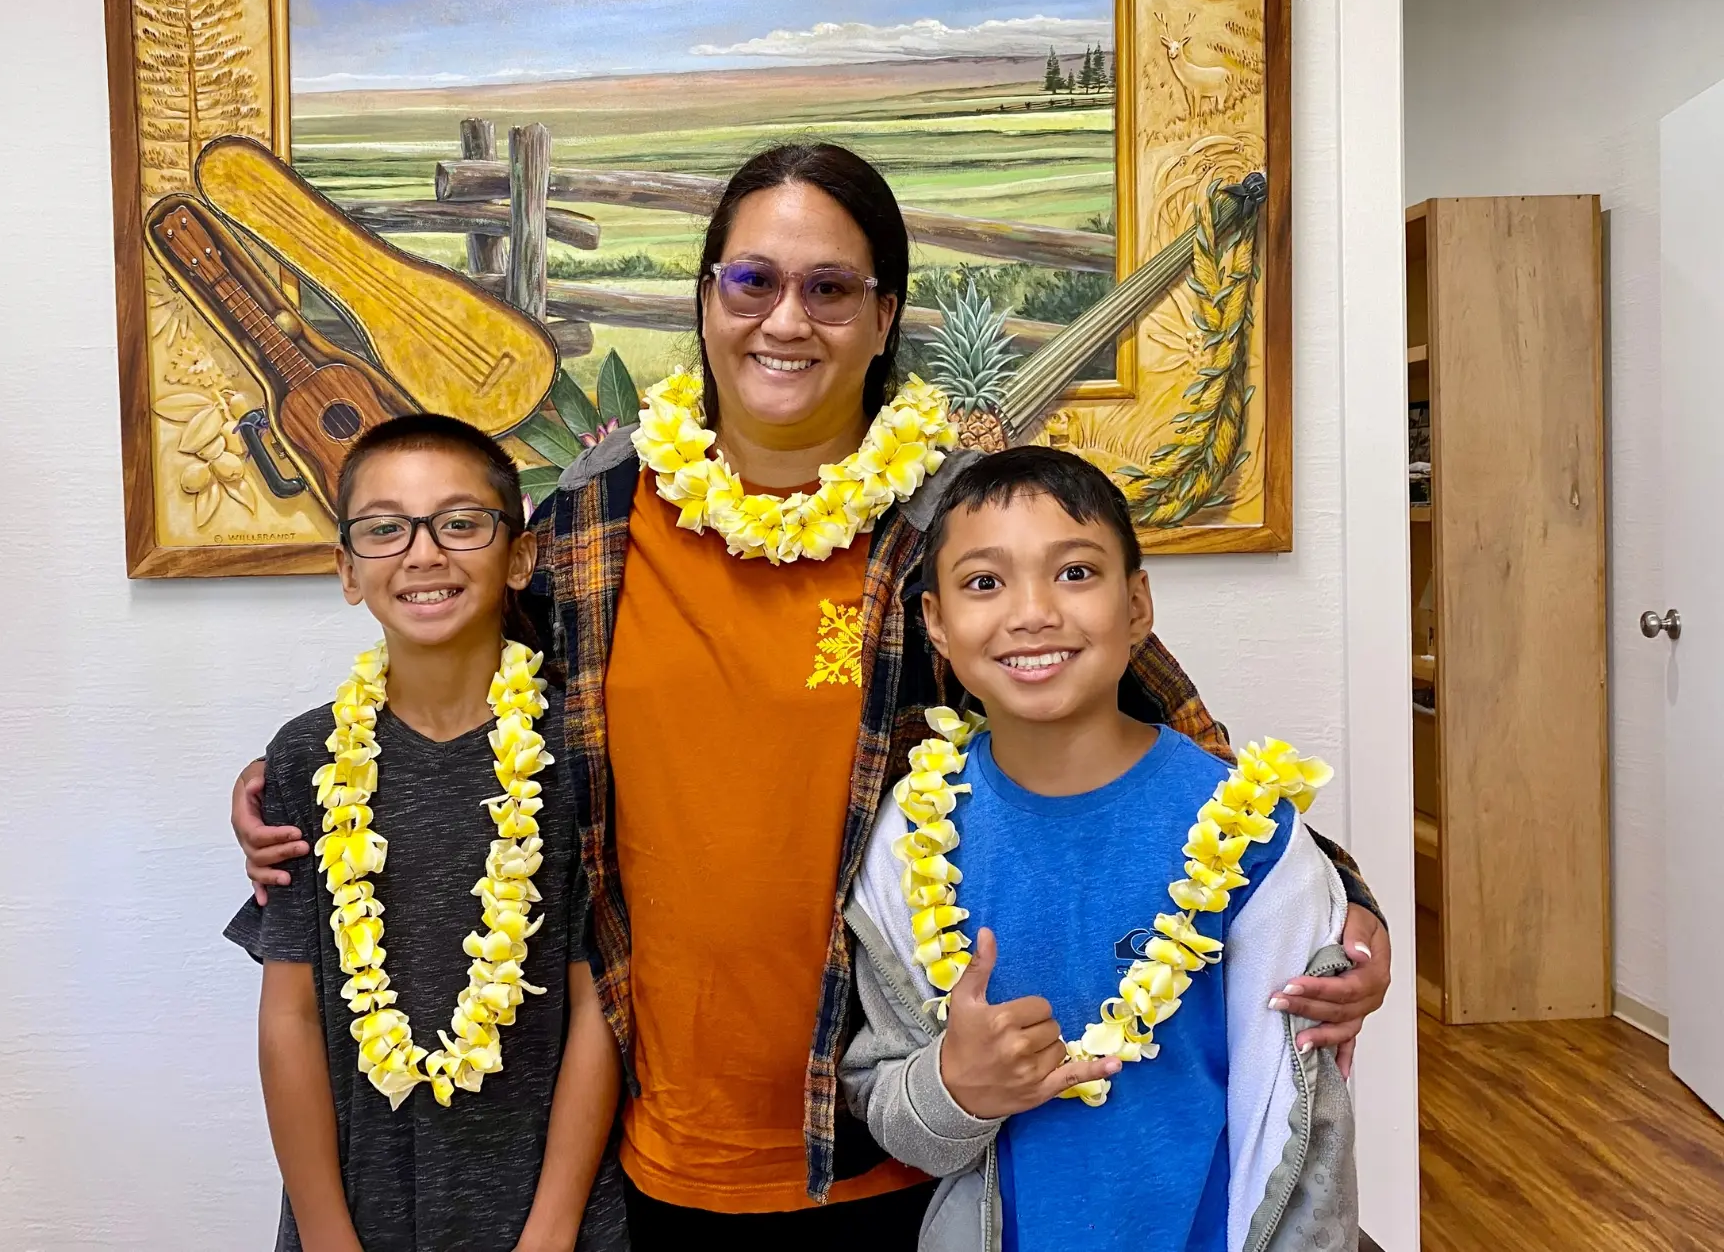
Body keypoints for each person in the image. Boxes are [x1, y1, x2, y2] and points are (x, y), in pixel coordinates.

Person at [230, 143, 1392, 1247]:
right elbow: (469, 690)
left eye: (830, 287)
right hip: (650, 1145)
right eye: (753, 280)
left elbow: (1162, 742)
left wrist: (1340, 898)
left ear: (884, 317)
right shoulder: (593, 521)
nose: (786, 319)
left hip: (898, 1141)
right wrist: (298, 786)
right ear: (707, 297)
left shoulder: (952, 530)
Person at [843, 447, 1357, 1252]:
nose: (1033, 612)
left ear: (1138, 604)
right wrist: (958, 1089)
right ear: (936, 624)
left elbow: (1304, 1133)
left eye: (1075, 573)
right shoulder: (907, 844)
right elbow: (889, 1104)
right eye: (985, 582)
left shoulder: (1253, 837)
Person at [224, 415, 627, 1252]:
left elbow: (601, 1006)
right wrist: (329, 1236)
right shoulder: (306, 758)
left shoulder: (581, 754)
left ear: (518, 555)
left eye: (460, 522)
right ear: (346, 569)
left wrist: (551, 1231)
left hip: (550, 1209)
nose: (423, 553)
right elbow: (290, 1016)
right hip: (361, 1205)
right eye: (384, 529)